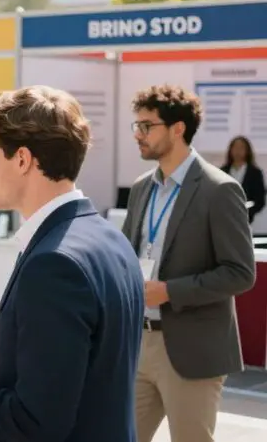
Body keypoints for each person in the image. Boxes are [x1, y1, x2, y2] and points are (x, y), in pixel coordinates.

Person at [0, 86, 146, 442]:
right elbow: (82, 378)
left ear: (22, 159)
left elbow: (38, 422)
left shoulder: (55, 264)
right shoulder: (109, 238)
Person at [122, 85, 255, 442]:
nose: (138, 134)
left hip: (192, 349)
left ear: (178, 128)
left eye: (147, 126)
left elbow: (240, 273)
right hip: (138, 346)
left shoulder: (219, 189)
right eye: (136, 125)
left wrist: (169, 292)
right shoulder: (140, 189)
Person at [222, 135, 265, 224]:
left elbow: (260, 200)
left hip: (246, 220)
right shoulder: (222, 171)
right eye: (235, 147)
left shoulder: (255, 173)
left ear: (247, 151)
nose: (238, 151)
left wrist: (247, 212)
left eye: (241, 148)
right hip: (224, 219)